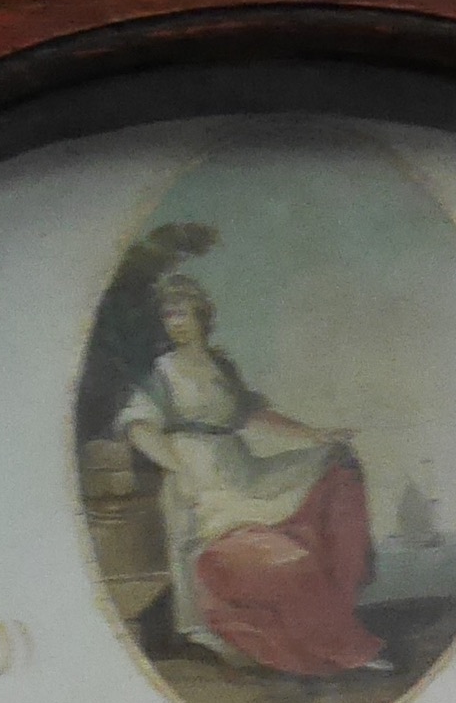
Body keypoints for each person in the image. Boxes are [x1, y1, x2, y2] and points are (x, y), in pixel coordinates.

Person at [114, 273, 386, 678]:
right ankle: (329, 641)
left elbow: (252, 414)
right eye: (168, 316)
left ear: (201, 316)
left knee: (337, 462)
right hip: (202, 482)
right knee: (279, 559)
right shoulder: (163, 372)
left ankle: (338, 605)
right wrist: (177, 466)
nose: (176, 323)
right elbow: (140, 427)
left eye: (182, 313)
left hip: (242, 469)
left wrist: (314, 434)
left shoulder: (219, 366)